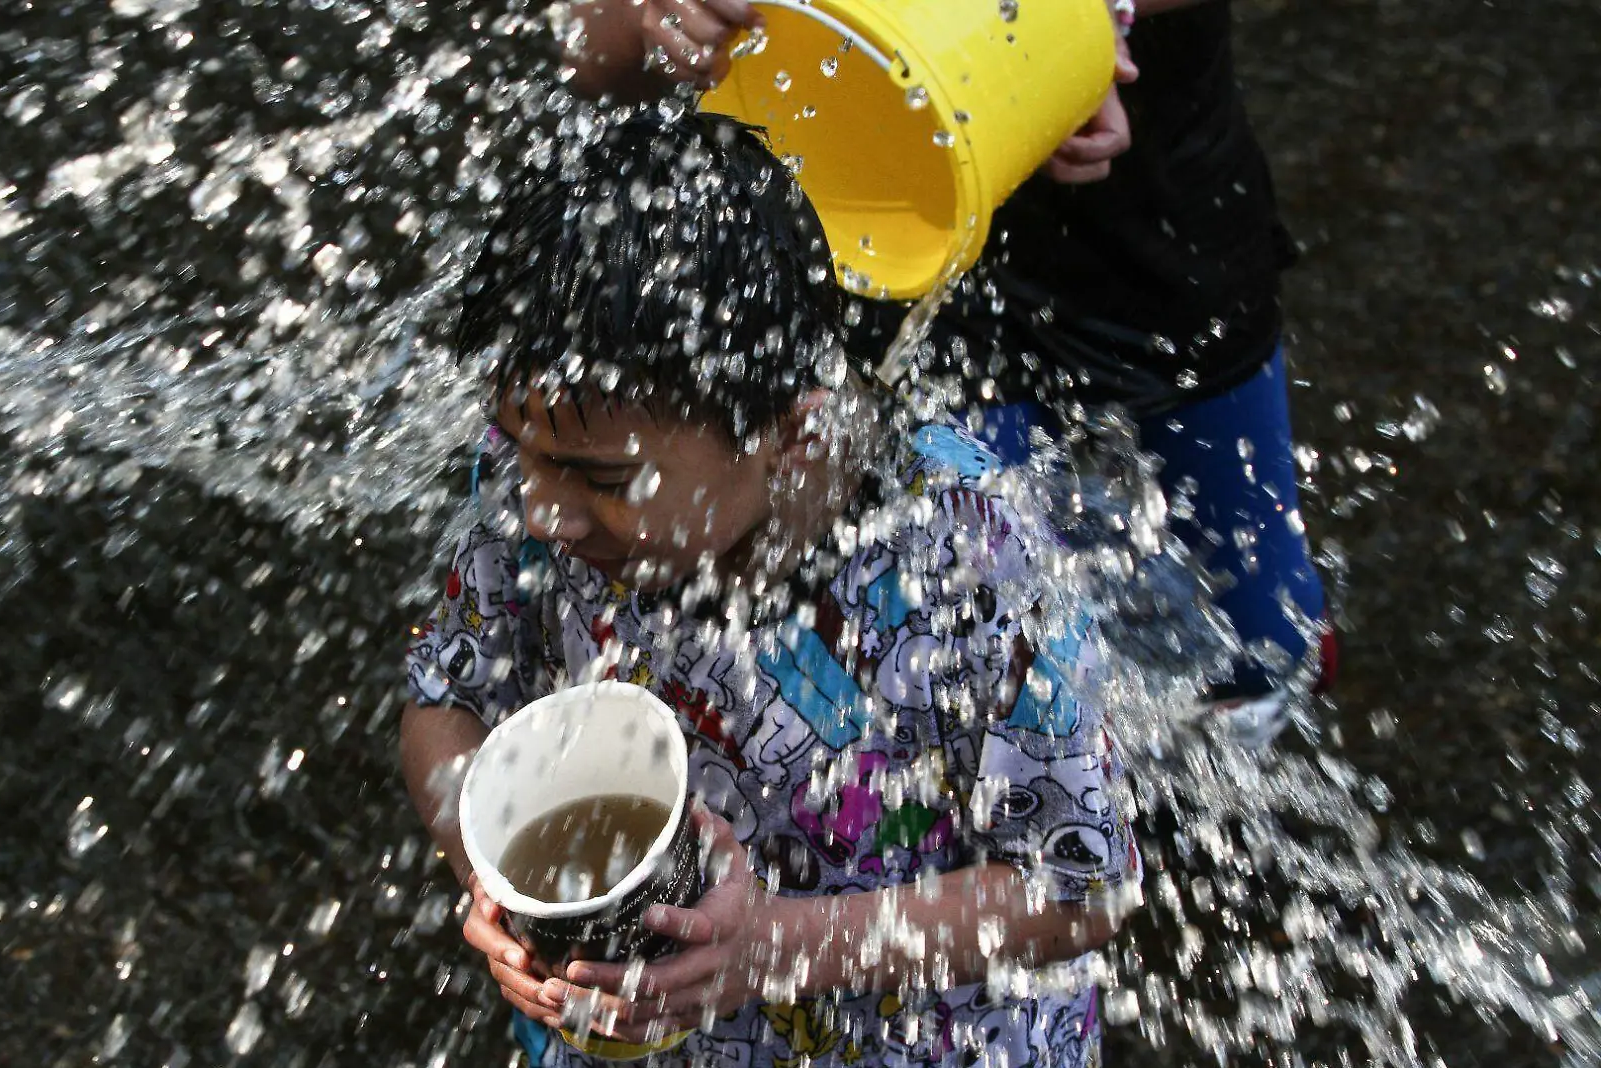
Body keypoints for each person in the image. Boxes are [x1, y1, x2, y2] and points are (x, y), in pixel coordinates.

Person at [399, 114, 1138, 1068]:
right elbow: (441, 699)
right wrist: (484, 863)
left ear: (793, 440)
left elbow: (1083, 889)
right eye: (525, 455)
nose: (544, 513)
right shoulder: (547, 464)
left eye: (604, 483)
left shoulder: (965, 564)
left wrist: (773, 949)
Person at [556, 0, 1334, 746]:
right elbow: (592, 55)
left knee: (1259, 633)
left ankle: (1224, 763)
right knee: (961, 638)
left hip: (1154, 242)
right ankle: (1042, 798)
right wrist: (656, 15)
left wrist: (1073, 19)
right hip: (879, 236)